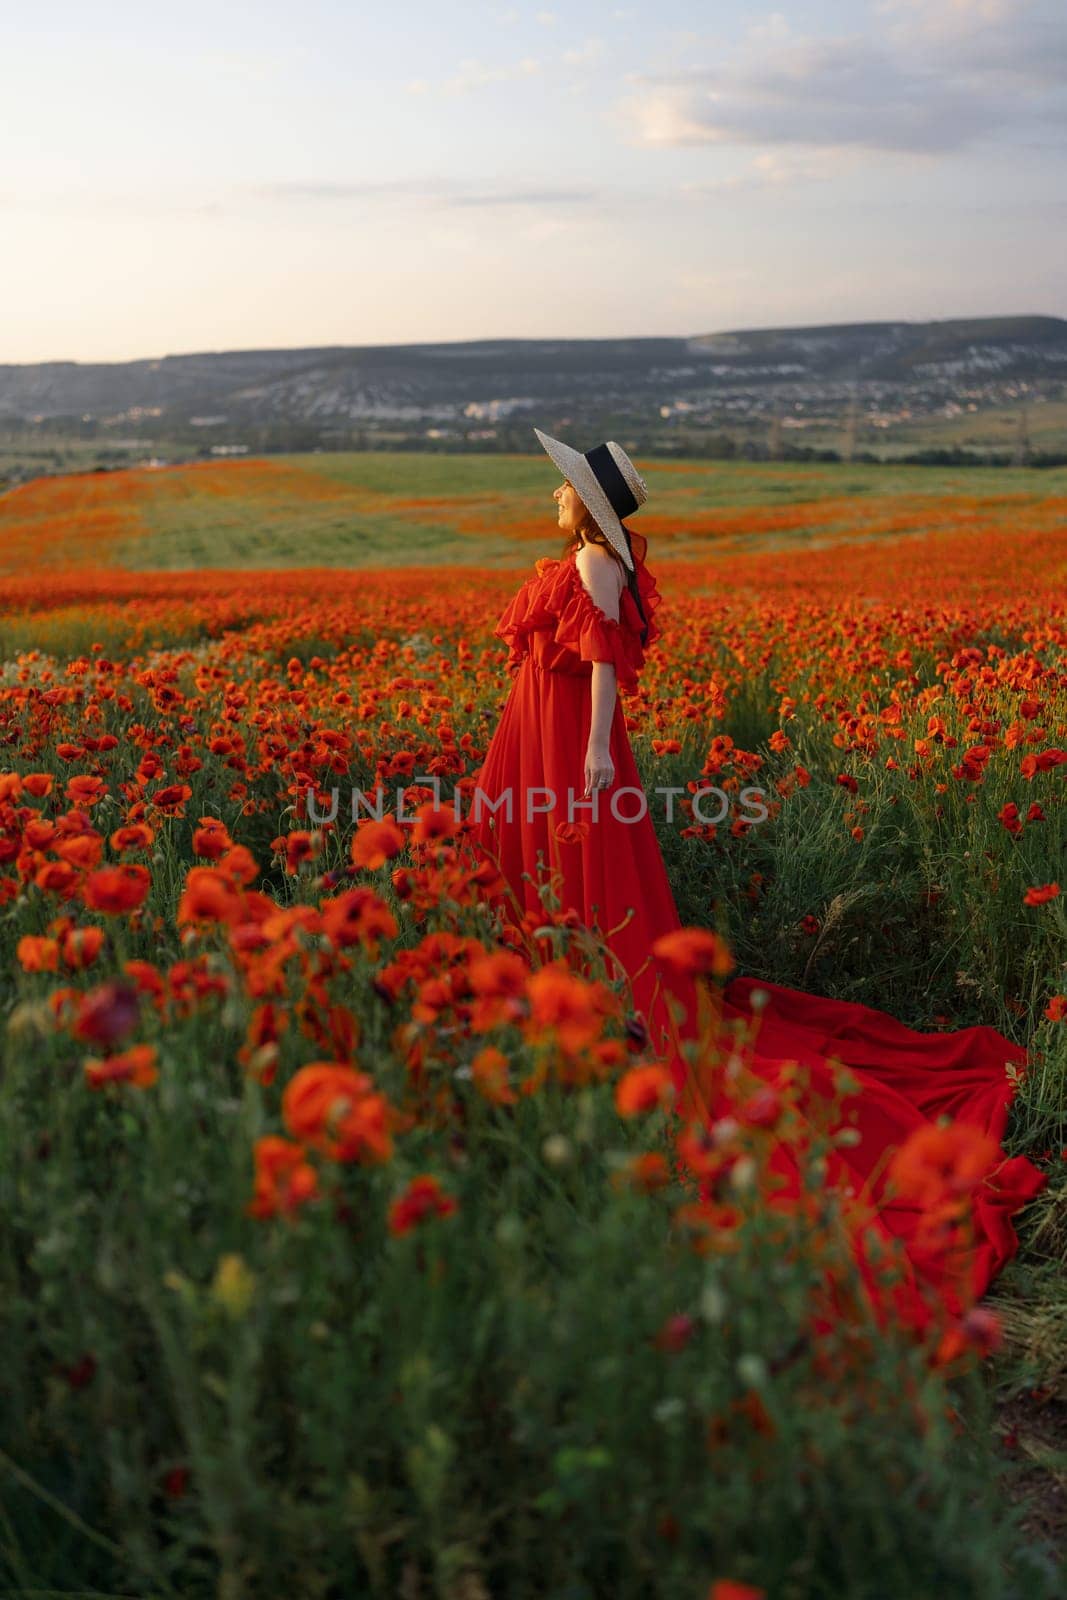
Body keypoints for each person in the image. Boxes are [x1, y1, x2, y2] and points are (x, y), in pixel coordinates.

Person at [467, 427, 1046, 1328]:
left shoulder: (596, 567)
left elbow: (601, 667)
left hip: (566, 743)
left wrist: (590, 758)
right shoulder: (583, 557)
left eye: (563, 487)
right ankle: (578, 998)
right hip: (538, 733)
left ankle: (602, 1005)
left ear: (588, 503)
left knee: (583, 870)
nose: (553, 496)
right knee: (546, 863)